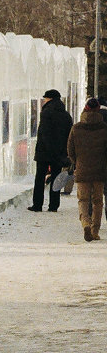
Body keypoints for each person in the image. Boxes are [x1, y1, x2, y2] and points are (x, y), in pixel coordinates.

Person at [66, 98, 107, 241]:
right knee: (97, 202)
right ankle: (95, 231)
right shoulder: (104, 128)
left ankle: (85, 223)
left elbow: (70, 150)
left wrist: (77, 163)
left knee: (83, 200)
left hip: (82, 170)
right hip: (100, 172)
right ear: (98, 110)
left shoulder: (76, 128)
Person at [30, 89, 73, 212]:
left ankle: (37, 204)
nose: (44, 100)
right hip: (59, 153)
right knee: (56, 178)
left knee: (40, 178)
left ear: (50, 99)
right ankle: (53, 205)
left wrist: (48, 149)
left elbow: (45, 134)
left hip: (44, 152)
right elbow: (69, 135)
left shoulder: (46, 113)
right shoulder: (66, 115)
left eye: (45, 98)